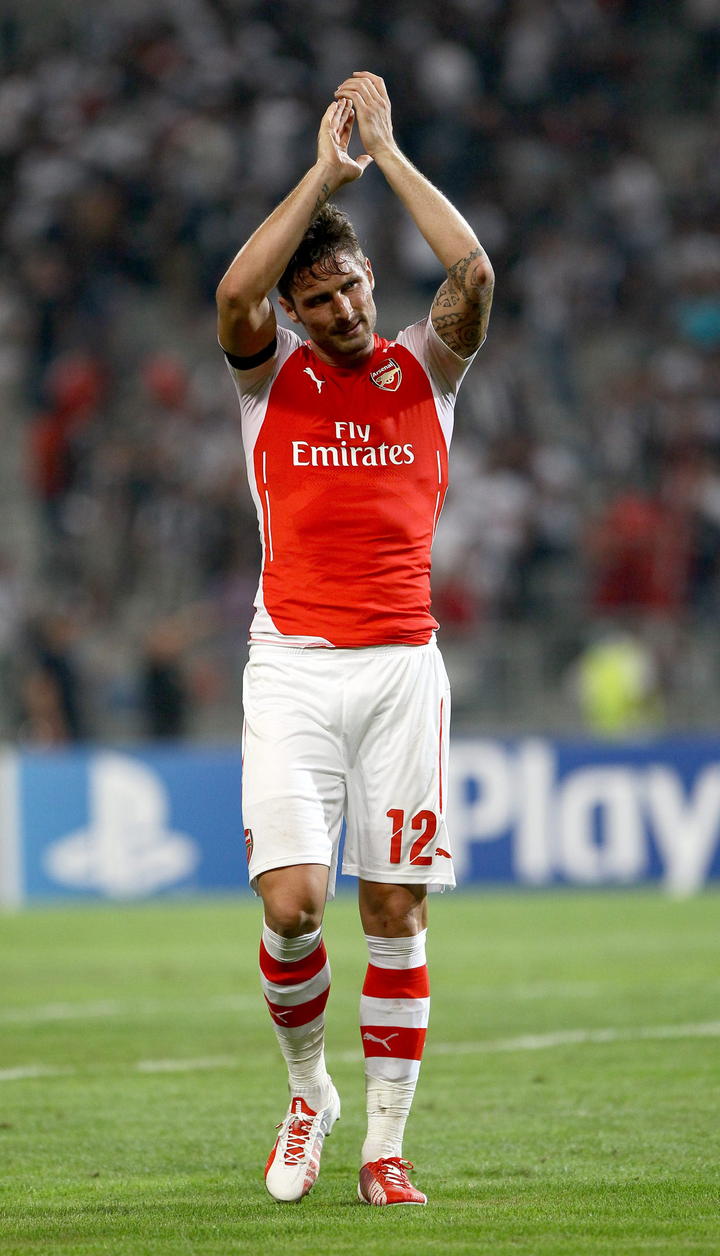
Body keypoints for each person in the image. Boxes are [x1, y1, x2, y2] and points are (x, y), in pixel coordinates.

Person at [216, 71, 493, 1207]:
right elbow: (235, 290)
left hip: (401, 670)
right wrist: (325, 176)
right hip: (291, 666)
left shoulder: (427, 370)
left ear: (375, 277)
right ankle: (308, 1093)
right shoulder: (268, 378)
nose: (342, 310)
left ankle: (384, 1148)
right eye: (319, 298)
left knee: (395, 912)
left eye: (352, 286)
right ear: (296, 313)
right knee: (291, 907)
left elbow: (474, 275)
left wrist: (389, 152)